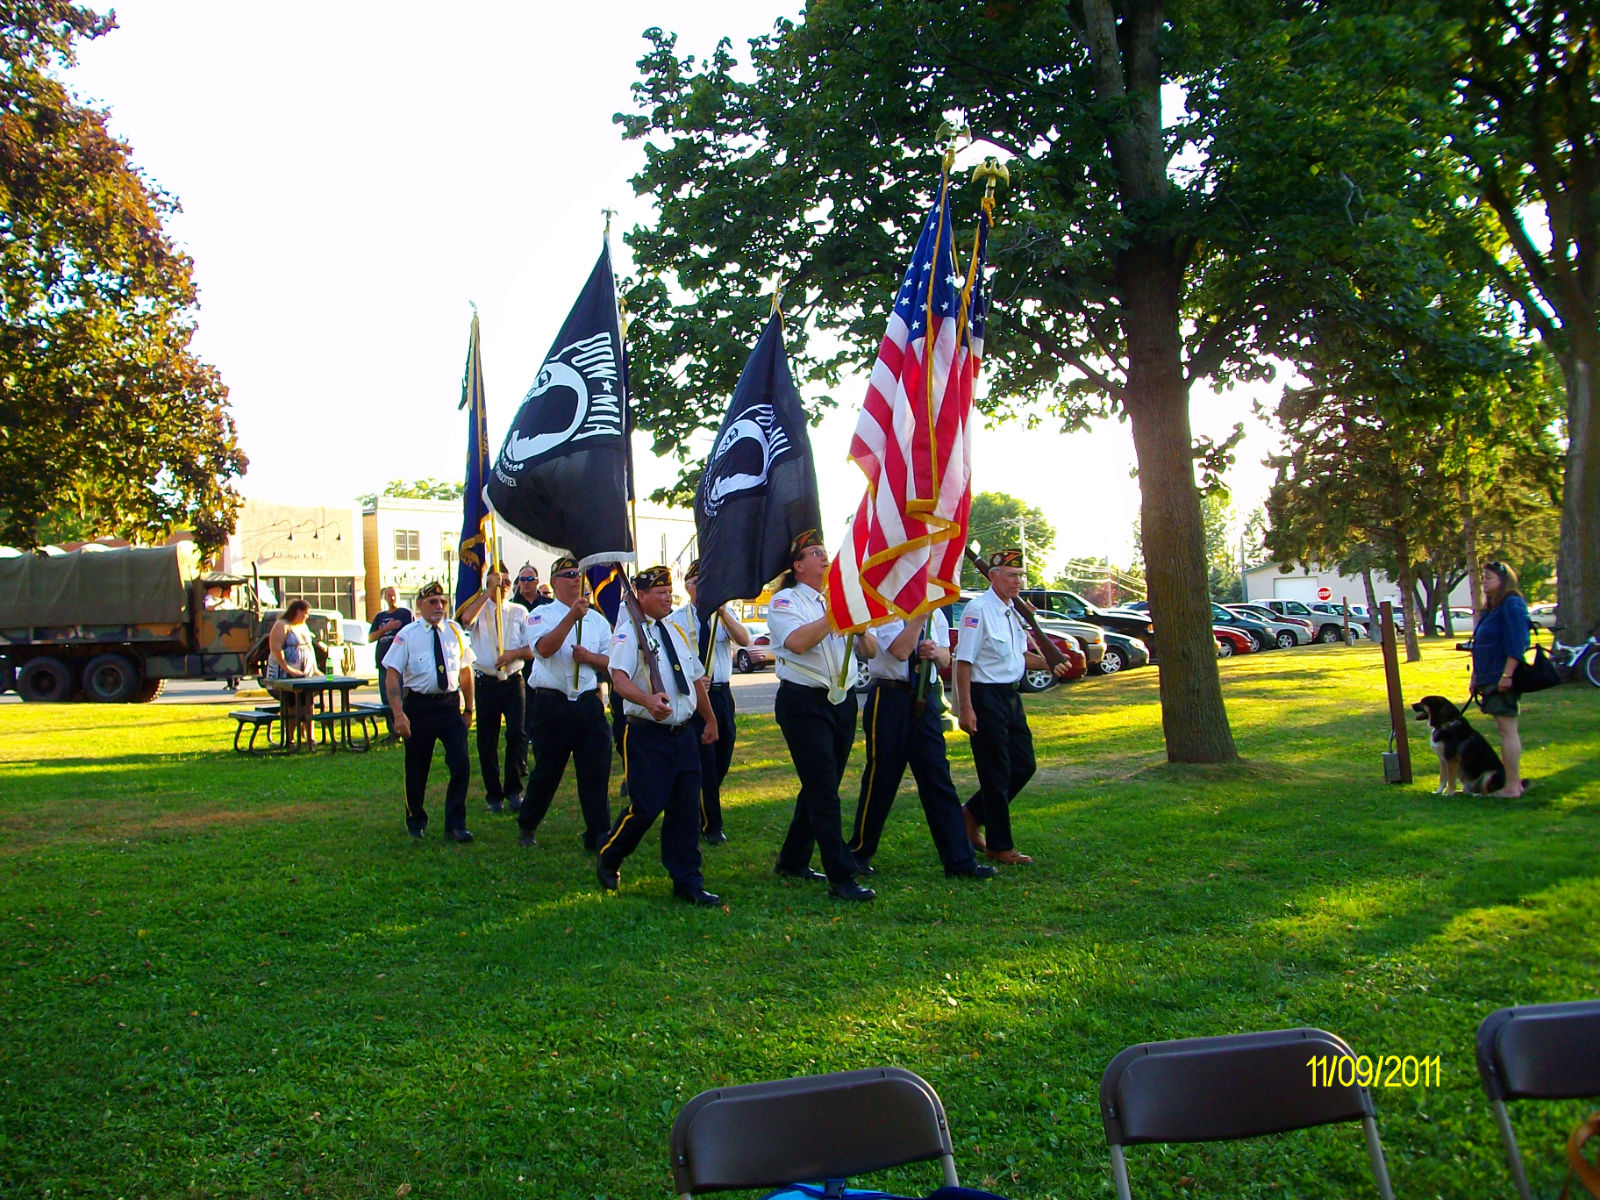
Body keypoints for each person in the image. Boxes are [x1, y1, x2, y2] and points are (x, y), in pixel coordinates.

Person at [596, 565, 721, 906]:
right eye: (659, 593)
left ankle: (688, 882)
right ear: (641, 595)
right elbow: (618, 680)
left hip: (683, 734)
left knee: (685, 811)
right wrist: (648, 700)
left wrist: (709, 719)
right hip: (647, 735)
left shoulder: (677, 631)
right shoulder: (627, 634)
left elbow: (695, 679)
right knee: (646, 807)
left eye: (669, 592)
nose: (667, 598)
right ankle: (610, 855)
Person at [767, 530, 878, 903]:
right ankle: (841, 876)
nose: (825, 558)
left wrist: (860, 627)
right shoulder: (786, 600)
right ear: (798, 566)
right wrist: (836, 615)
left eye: (825, 552)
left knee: (821, 784)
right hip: (803, 703)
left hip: (841, 701)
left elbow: (871, 649)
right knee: (824, 792)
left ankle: (793, 859)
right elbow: (797, 642)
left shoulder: (837, 599)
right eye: (816, 553)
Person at [848, 608, 999, 880]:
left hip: (924, 699)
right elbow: (901, 651)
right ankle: (858, 853)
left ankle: (960, 861)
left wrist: (935, 651)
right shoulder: (885, 611)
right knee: (881, 778)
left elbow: (944, 658)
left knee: (938, 778)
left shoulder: (936, 613)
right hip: (890, 699)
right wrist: (919, 618)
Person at [955, 548, 1073, 864]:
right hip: (985, 696)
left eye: (1020, 576)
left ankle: (971, 814)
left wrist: (1051, 663)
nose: (1017, 582)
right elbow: (963, 662)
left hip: (1010, 696)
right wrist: (965, 708)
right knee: (996, 773)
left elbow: (1019, 656)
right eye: (1011, 576)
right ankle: (999, 845)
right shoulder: (978, 611)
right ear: (993, 576)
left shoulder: (1011, 611)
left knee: (1023, 765)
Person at [507, 555, 615, 852]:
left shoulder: (597, 620)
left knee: (596, 771)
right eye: (568, 574)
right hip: (553, 705)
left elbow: (612, 662)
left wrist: (590, 658)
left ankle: (598, 833)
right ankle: (528, 824)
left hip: (588, 704)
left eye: (578, 575)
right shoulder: (541, 615)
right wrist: (571, 618)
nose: (575, 579)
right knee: (547, 771)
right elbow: (543, 649)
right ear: (554, 583)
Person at [382, 580, 477, 842]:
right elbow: (392, 674)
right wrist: (399, 714)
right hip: (419, 708)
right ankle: (416, 820)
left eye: (443, 601)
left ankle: (455, 824)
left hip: (449, 707)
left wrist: (469, 708)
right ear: (420, 605)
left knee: (461, 763)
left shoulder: (454, 631)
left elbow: (466, 671)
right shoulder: (408, 635)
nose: (439, 606)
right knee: (417, 767)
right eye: (432, 602)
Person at [670, 559, 750, 845]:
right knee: (704, 759)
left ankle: (701, 803)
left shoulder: (722, 617)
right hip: (697, 696)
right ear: (688, 586)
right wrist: (694, 681)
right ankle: (711, 826)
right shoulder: (677, 619)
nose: (702, 588)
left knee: (723, 754)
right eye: (696, 583)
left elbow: (745, 640)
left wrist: (724, 613)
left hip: (721, 693)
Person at [457, 563, 529, 815]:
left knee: (516, 734)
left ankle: (514, 790)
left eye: (508, 582)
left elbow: (532, 648)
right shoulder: (480, 610)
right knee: (487, 739)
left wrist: (513, 654)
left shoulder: (519, 611)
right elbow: (466, 620)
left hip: (513, 680)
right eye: (499, 581)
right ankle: (493, 794)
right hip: (486, 681)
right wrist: (488, 593)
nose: (504, 586)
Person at [1472, 560, 1531, 798]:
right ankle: (1510, 783)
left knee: (1508, 729)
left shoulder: (1511, 604)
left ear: (1503, 580)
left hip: (1501, 675)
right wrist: (1476, 676)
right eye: (1483, 577)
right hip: (1487, 675)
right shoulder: (1491, 609)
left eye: (1489, 578)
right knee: (1502, 728)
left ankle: (1512, 786)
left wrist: (1507, 674)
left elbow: (1518, 642)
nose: (1484, 582)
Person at [265, 598, 316, 748]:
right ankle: (290, 738)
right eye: (305, 614)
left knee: (308, 703)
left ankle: (309, 737)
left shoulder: (303, 627)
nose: (306, 617)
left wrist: (314, 668)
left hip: (304, 676)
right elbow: (276, 649)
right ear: (297, 611)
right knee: (292, 704)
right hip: (284, 676)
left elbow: (309, 648)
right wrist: (288, 668)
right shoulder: (282, 625)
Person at [368, 586, 413, 738]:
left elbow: (412, 634)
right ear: (384, 598)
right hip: (383, 664)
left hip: (400, 665)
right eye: (388, 595)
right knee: (386, 698)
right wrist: (385, 629)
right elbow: (371, 637)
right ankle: (392, 731)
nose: (391, 598)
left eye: (394, 595)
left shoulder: (405, 614)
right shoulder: (380, 617)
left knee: (401, 697)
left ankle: (405, 728)